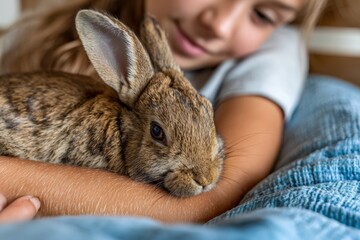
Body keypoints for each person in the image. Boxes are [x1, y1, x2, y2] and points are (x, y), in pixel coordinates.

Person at [0, 0, 337, 225]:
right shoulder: (32, 38)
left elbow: (208, 201)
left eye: (262, 14)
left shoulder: (274, 52)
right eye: (159, 135)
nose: (219, 25)